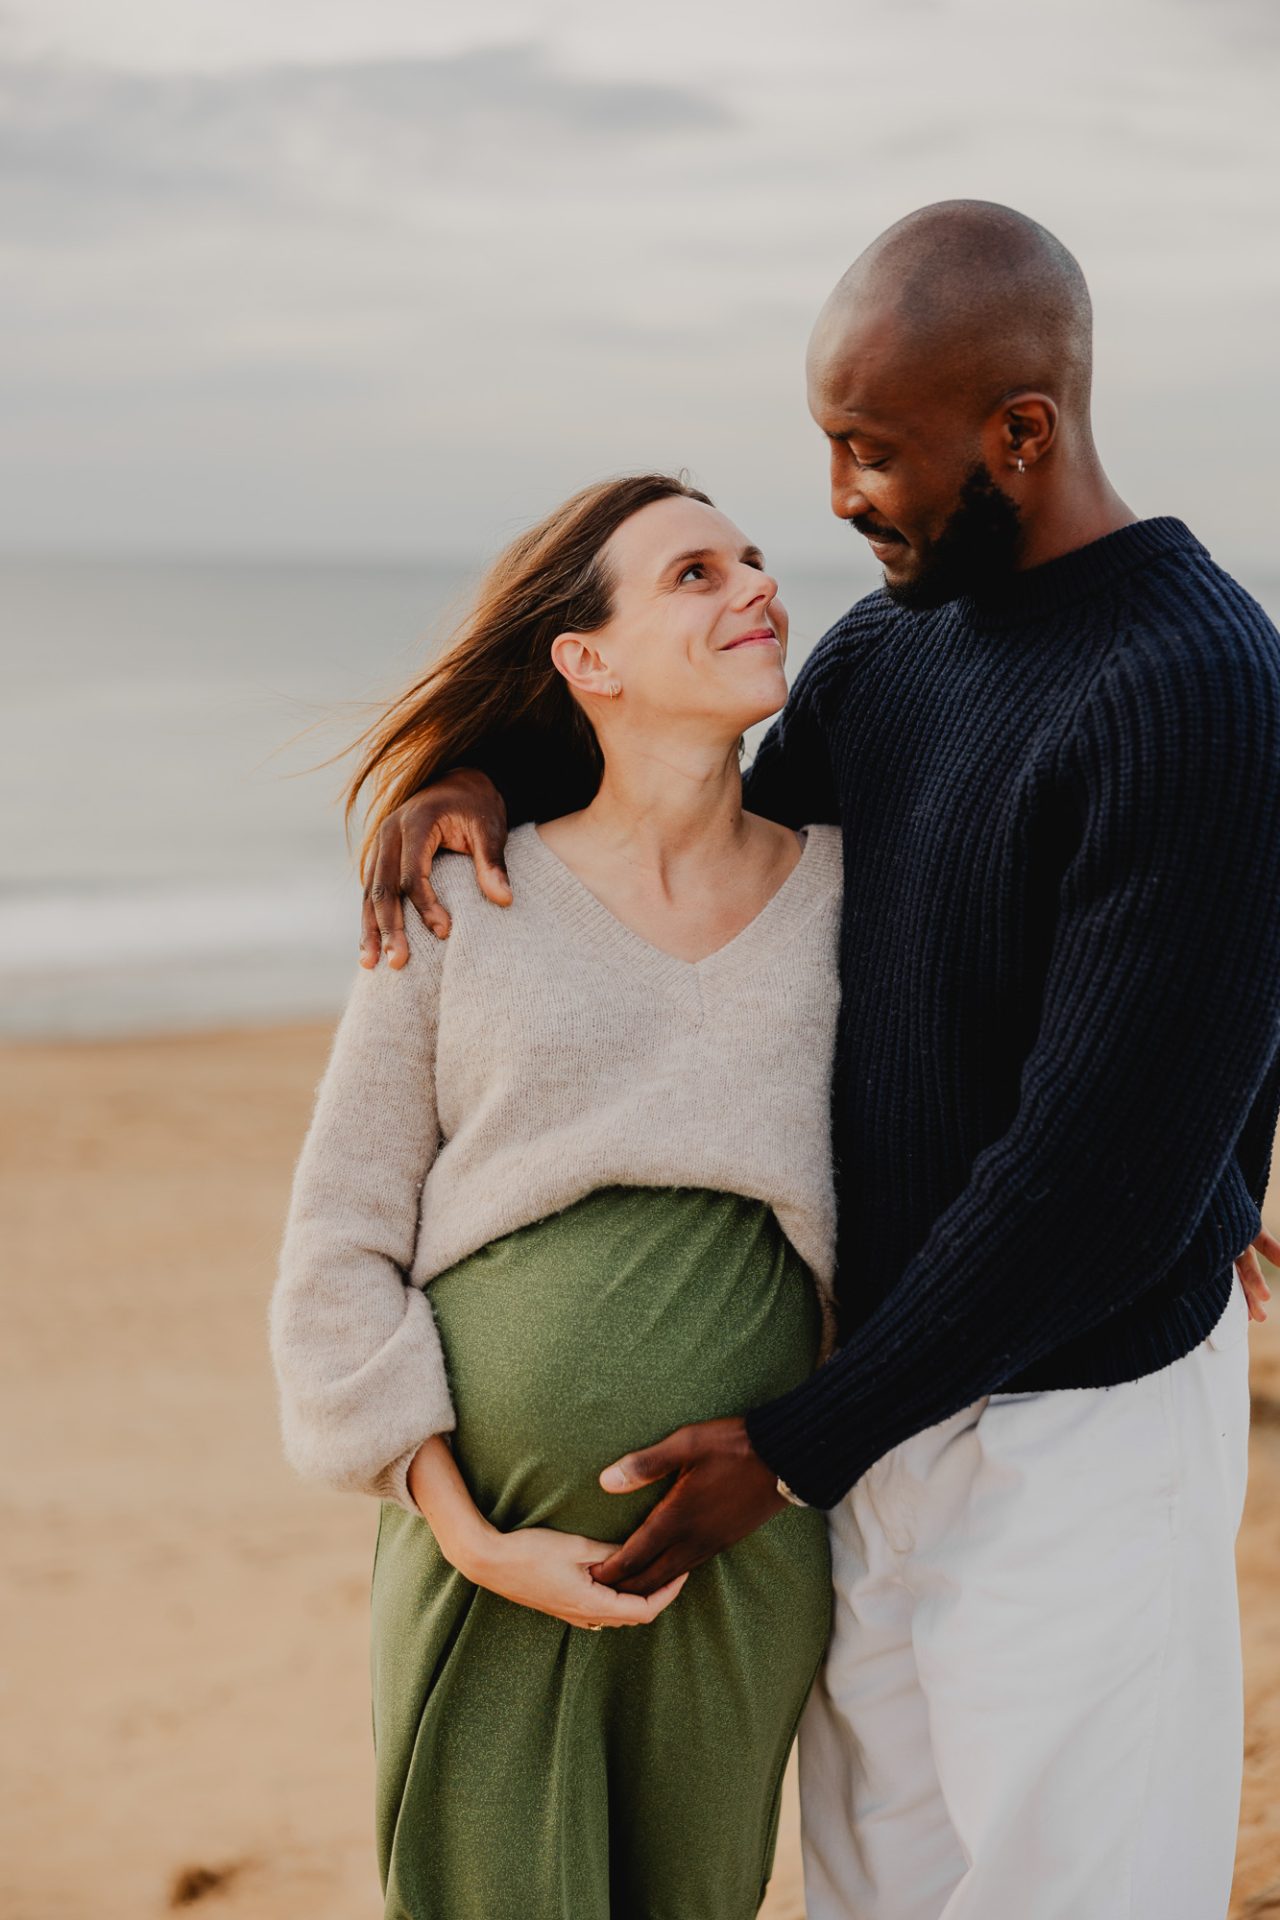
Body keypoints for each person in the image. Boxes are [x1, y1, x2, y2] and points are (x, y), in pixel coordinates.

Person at [361, 201, 1280, 1919]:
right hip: (877, 1410)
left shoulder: (1201, 682)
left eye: (872, 451)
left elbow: (1093, 1173)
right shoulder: (895, 646)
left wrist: (791, 1442)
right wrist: (483, 778)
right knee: (878, 1888)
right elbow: (715, 859)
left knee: (1066, 1890)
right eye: (828, 447)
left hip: (1068, 1425)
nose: (843, 499)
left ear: (1022, 433)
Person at [269, 472, 845, 1920]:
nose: (755, 586)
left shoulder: (860, 894)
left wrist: (1204, 1185)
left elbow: (1043, 1052)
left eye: (754, 560)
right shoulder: (466, 892)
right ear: (585, 662)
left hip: (745, 1541)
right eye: (694, 576)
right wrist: (468, 1534)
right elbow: (340, 1239)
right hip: (486, 1559)